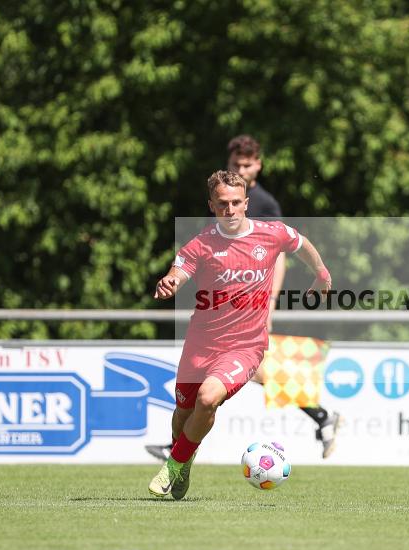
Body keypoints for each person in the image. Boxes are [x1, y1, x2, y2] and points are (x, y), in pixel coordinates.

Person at [145, 134, 341, 461]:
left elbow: (276, 255)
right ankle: (321, 415)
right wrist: (176, 277)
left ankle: (320, 414)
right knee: (255, 375)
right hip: (218, 315)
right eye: (236, 164)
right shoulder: (224, 196)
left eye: (247, 164)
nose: (241, 169)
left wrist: (270, 303)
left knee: (245, 374)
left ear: (258, 166)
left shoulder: (264, 205)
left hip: (253, 305)